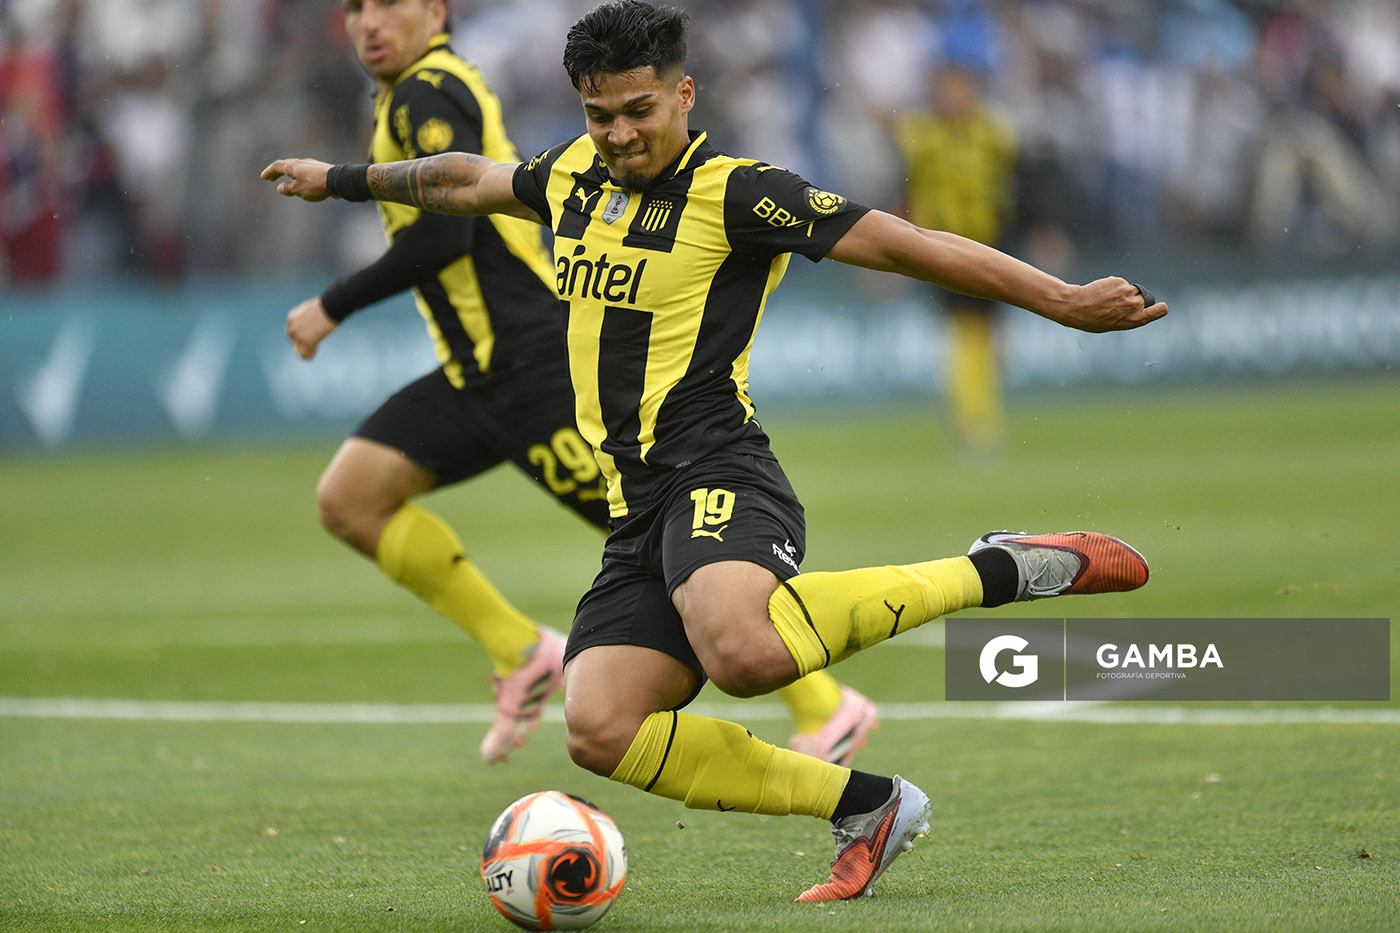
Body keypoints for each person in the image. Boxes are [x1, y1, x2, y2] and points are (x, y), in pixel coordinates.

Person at [263, 0, 1166, 902]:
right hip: (637, 508)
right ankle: (870, 806)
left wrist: (1061, 301)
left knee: (741, 650)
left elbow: (907, 243)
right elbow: (468, 179)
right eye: (599, 115)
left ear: (684, 94)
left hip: (719, 469)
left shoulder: (738, 192)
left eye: (638, 111)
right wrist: (339, 179)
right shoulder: (575, 175)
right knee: (601, 724)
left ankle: (997, 570)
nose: (617, 135)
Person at [282, 0, 875, 767]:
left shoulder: (429, 91)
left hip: (527, 362)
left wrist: (334, 301)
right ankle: (520, 649)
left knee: (652, 530)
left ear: (436, 11)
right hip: (475, 371)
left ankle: (825, 705)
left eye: (390, 4)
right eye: (355, 7)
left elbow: (448, 227)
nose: (369, 22)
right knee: (350, 497)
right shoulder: (409, 94)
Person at [896, 63, 1017, 458]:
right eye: (947, 91)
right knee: (968, 332)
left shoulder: (993, 136)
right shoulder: (924, 139)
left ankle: (976, 416)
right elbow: (906, 190)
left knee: (987, 337)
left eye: (961, 90)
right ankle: (972, 421)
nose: (954, 99)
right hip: (945, 247)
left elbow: (1012, 187)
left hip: (990, 242)